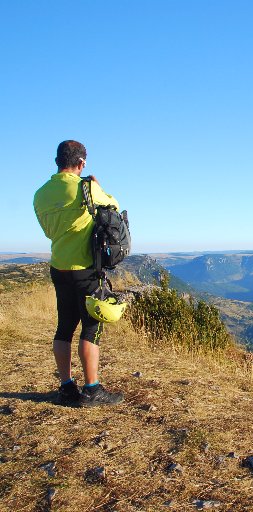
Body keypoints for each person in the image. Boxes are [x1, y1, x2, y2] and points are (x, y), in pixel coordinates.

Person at [34, 140, 124, 407]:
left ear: (57, 161)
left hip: (58, 266)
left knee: (64, 327)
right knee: (91, 329)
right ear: (81, 163)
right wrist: (98, 185)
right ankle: (92, 389)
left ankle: (66, 387)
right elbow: (114, 207)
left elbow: (48, 230)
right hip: (85, 269)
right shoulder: (86, 187)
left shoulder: (41, 193)